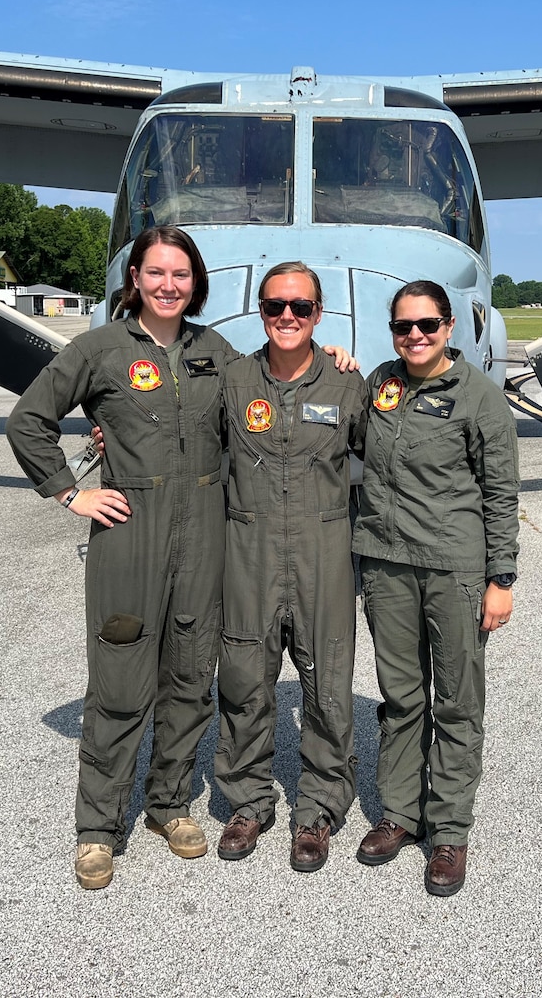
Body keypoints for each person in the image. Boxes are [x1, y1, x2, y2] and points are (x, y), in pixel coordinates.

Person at [5, 225, 234, 891]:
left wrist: (330, 361)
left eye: (181, 274)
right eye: (156, 272)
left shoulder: (214, 351)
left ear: (196, 283)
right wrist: (70, 492)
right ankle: (98, 829)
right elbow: (28, 419)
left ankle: (168, 805)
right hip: (130, 535)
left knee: (191, 679)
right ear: (134, 277)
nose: (169, 285)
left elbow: (265, 403)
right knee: (119, 685)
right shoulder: (100, 348)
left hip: (204, 535)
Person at [352, 279, 519, 897]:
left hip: (453, 569)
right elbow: (343, 438)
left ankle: (448, 829)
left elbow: (501, 494)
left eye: (426, 325)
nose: (414, 336)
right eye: (403, 327)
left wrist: (501, 579)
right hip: (387, 564)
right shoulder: (381, 384)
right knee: (400, 697)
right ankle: (400, 812)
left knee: (455, 701)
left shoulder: (478, 397)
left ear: (448, 328)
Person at [213, 262, 367, 872]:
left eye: (300, 307)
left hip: (322, 548)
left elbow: (388, 459)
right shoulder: (233, 380)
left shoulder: (347, 385)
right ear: (260, 308)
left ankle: (319, 810)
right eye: (276, 305)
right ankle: (248, 801)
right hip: (247, 547)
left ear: (318, 314)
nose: (287, 316)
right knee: (246, 676)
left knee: (328, 680)